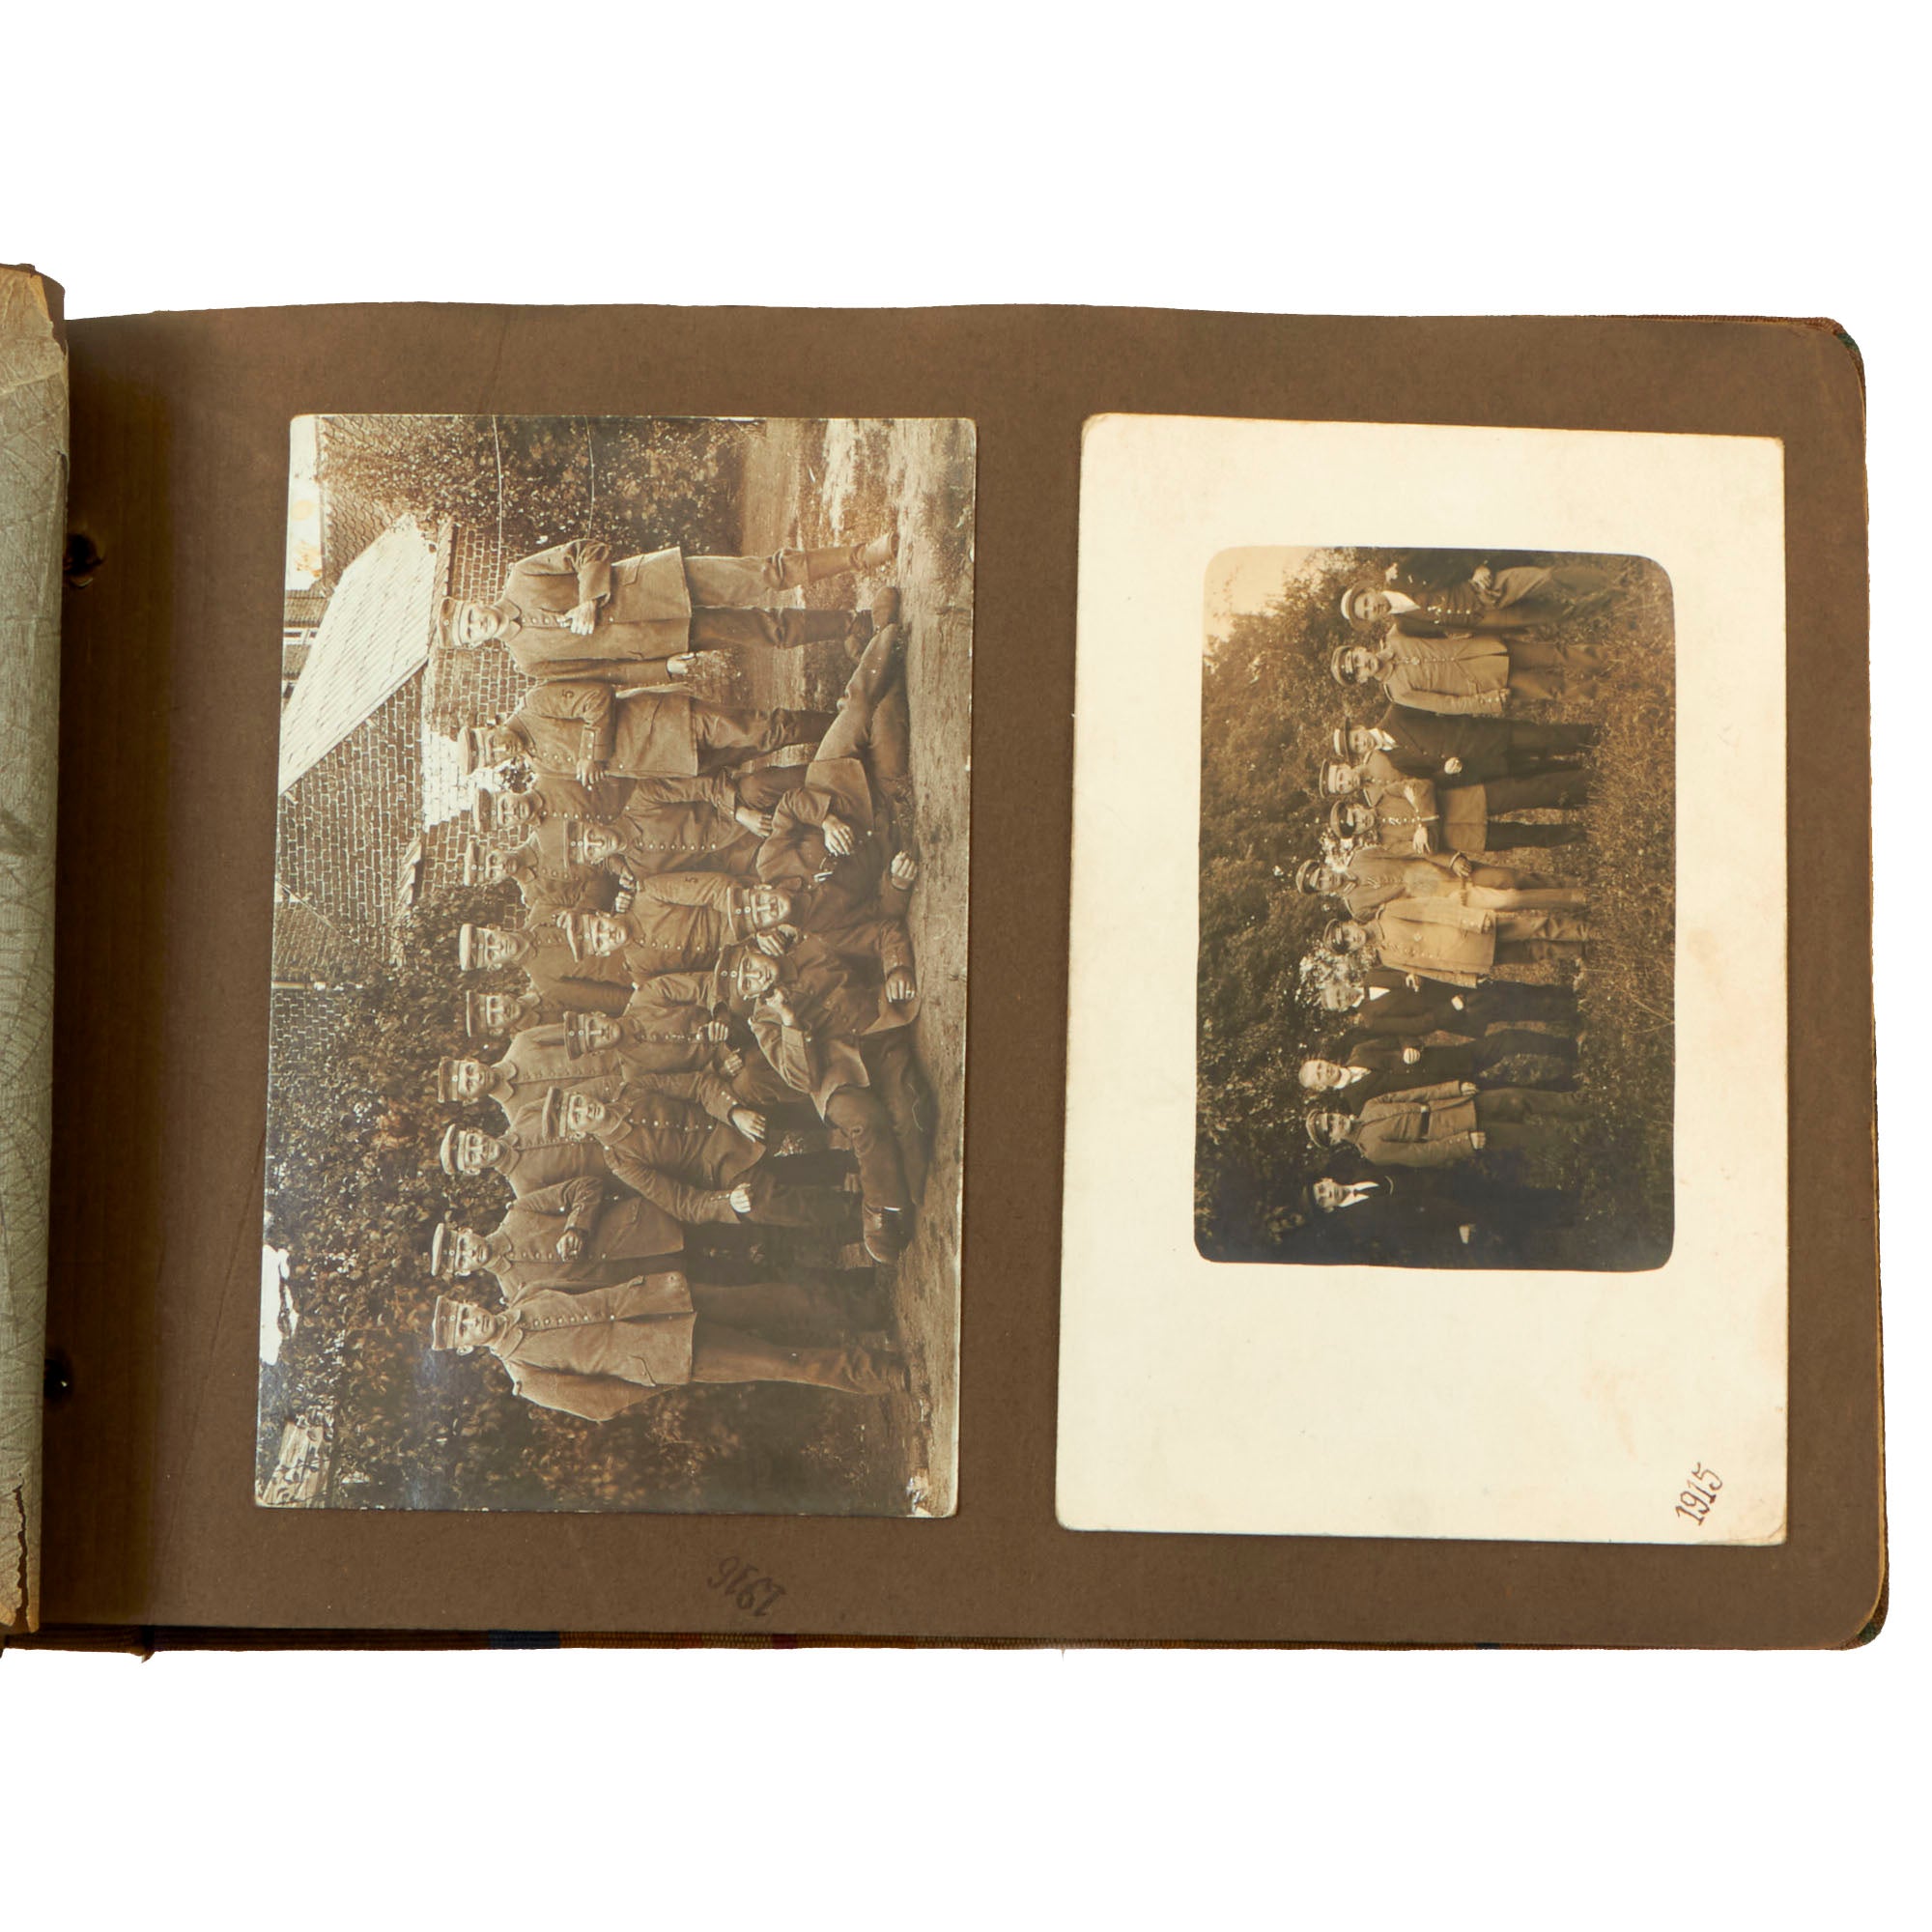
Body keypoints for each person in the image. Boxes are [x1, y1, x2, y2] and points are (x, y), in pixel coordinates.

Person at [437, 533, 900, 684]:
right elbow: (606, 673)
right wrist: (663, 668)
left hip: (660, 581)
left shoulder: (522, 576)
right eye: (470, 632)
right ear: (475, 645)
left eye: (470, 616)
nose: (478, 624)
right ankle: (856, 623)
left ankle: (861, 555)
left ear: (474, 601)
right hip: (661, 639)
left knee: (763, 573)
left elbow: (588, 551)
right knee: (767, 631)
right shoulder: (529, 662)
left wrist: (588, 600)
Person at [428, 1282, 905, 1416]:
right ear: (467, 1349)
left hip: (664, 1302)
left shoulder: (528, 1294)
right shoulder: (526, 1377)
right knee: (781, 1363)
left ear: (470, 1302)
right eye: (464, 1330)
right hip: (672, 1356)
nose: (473, 1321)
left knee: (765, 1299)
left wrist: (651, 1291)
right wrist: (656, 1377)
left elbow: (596, 1285)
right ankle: (883, 1372)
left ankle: (871, 1310)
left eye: (465, 1313)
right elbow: (601, 1403)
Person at [546, 1082, 854, 1236]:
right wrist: (726, 1202)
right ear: (579, 1134)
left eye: (579, 1101)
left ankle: (851, 1123)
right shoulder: (621, 1160)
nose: (586, 1109)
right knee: (759, 1202)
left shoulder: (632, 1089)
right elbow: (681, 1202)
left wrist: (734, 1112)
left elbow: (697, 1084)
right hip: (721, 1166)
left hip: (727, 1120)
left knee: (755, 1091)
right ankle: (857, 1213)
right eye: (577, 1116)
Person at [458, 686, 836, 789]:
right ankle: (843, 750)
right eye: (491, 757)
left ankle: (845, 723)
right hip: (671, 760)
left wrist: (591, 753)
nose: (498, 749)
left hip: (668, 723)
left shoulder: (534, 705)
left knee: (768, 728)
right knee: (761, 746)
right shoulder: (541, 765)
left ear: (489, 726)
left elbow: (596, 697)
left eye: (490, 742)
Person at [1307, 1081, 1587, 1167]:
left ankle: (1578, 1103)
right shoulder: (1372, 1150)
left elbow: (1417, 1094)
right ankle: (1579, 1135)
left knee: (1516, 1097)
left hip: (1455, 1105)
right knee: (1527, 1135)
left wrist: (1454, 1088)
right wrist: (1463, 1143)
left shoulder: (1369, 1106)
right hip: (1460, 1132)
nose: (1336, 1121)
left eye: (1331, 1117)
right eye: (1331, 1128)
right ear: (1334, 1140)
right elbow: (1423, 1154)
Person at [1330, 628, 1602, 714]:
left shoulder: (1397, 634)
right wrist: (1488, 701)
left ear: (1360, 648)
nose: (1363, 664)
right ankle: (1602, 692)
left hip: (1488, 648)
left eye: (1357, 658)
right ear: (1362, 679)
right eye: (1358, 670)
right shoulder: (1398, 692)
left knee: (1555, 652)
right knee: (1553, 689)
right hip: (1488, 681)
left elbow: (1432, 617)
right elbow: (1447, 704)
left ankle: (1606, 660)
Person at [1297, 1028, 1577, 1104]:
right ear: (1320, 1087)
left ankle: (1571, 1049)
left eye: (1320, 1065)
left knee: (1506, 1039)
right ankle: (1568, 1087)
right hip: (1450, 1090)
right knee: (1511, 1092)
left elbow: (1400, 1035)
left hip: (1450, 1059)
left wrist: (1409, 1047)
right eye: (1319, 1075)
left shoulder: (1361, 1051)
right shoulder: (1357, 1102)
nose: (1325, 1070)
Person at [1325, 905, 1586, 985]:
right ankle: (1578, 950)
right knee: (1531, 953)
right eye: (1348, 944)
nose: (1352, 938)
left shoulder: (1389, 913)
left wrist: (1472, 919)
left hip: (1472, 931)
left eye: (1347, 933)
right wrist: (1466, 979)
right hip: (1470, 959)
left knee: (1534, 926)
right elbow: (1430, 971)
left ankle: (1584, 931)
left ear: (1350, 923)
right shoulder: (1387, 958)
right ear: (1352, 951)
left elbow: (1434, 909)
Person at [1341, 558, 1617, 634]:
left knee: (1545, 578)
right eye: (1367, 614)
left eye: (1366, 602)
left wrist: (1475, 567)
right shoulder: (1404, 625)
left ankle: (1610, 581)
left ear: (1370, 591)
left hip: (1480, 588)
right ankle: (1609, 602)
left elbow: (1444, 553)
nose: (1372, 609)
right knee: (1551, 615)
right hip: (1483, 619)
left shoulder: (1401, 574)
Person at [1297, 848, 1586, 919]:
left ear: (1325, 866)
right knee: (1512, 900)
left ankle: (1573, 883)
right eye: (1321, 883)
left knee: (1512, 878)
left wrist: (1450, 860)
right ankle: (1577, 899)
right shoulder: (1358, 909)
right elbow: (1407, 917)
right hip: (1451, 901)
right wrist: (1447, 909)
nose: (1326, 879)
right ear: (1323, 892)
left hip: (1449, 872)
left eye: (1321, 873)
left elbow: (1410, 850)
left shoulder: (1362, 857)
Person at [1335, 709, 1596, 785]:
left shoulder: (1396, 714)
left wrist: (1467, 719)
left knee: (1540, 737)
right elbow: (1430, 778)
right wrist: (1446, 771)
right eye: (1357, 748)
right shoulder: (1396, 761)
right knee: (1532, 767)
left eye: (1356, 738)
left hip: (1481, 734)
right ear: (1361, 755)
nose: (1361, 743)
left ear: (1359, 728)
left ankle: (1593, 737)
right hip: (1479, 765)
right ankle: (1582, 768)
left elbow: (1438, 705)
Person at [1316, 965, 1580, 1034]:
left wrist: (1412, 974)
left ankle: (1567, 992)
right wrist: (1451, 1009)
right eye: (1338, 1001)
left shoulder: (1373, 974)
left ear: (1340, 984)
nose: (1343, 996)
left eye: (1337, 992)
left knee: (1509, 988)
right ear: (1341, 1009)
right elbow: (1416, 1026)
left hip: (1449, 982)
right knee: (1511, 1008)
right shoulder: (1372, 1019)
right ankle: (1571, 1012)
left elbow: (1407, 965)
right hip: (1456, 1008)